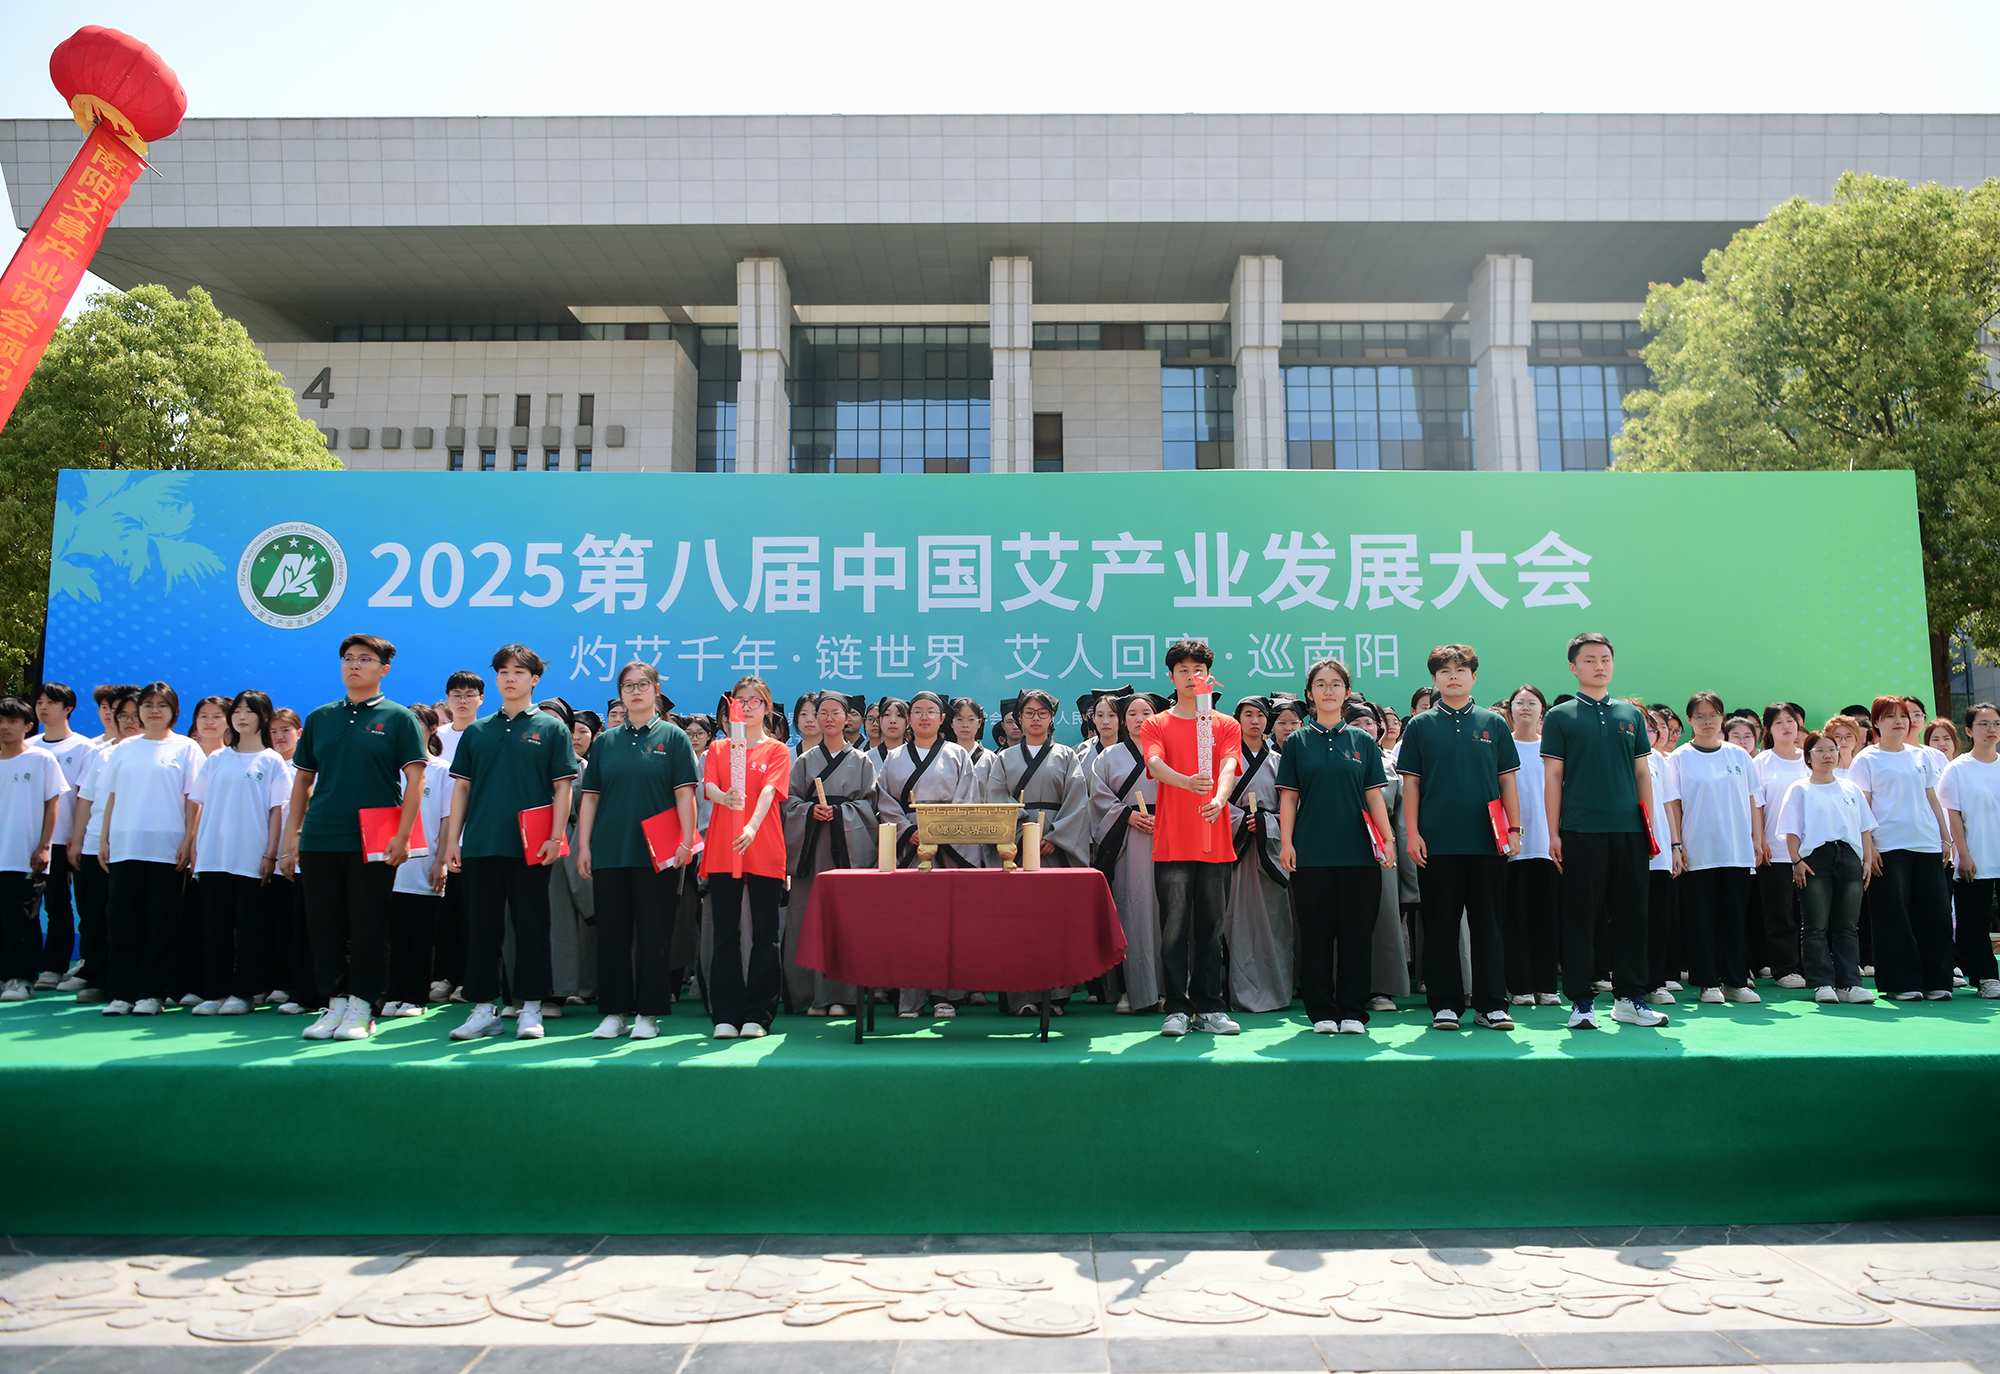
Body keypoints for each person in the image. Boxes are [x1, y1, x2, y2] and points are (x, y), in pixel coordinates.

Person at [281, 637, 427, 1043]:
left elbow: (416, 779)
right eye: (348, 658)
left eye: (365, 659)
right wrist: (293, 835)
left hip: (375, 837)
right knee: (324, 924)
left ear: (384, 669)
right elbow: (303, 780)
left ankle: (363, 1006)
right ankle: (334, 1003)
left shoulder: (398, 718)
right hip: (321, 834)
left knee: (368, 923)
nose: (354, 665)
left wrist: (403, 835)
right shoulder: (321, 717)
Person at [440, 645, 579, 1042]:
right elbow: (462, 788)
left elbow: (563, 787)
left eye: (518, 671)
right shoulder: (477, 731)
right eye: (503, 672)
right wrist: (453, 841)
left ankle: (531, 1007)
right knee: (482, 929)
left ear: (534, 679)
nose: (509, 678)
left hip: (531, 846)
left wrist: (555, 836)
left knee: (533, 926)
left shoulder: (551, 729)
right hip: (481, 843)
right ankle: (484, 1009)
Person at [1397, 645, 1521, 1031]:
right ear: (1434, 678)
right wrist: (1413, 834)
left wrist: (1514, 829)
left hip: (1488, 842)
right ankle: (1445, 1004)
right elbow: (1411, 784)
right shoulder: (1420, 726)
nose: (1453, 676)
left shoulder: (1493, 723)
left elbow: (1507, 781)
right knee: (1440, 927)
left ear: (1474, 676)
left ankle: (1491, 1005)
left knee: (1489, 927)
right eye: (1445, 671)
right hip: (1437, 843)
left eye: (1461, 669)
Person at [576, 661, 701, 1040]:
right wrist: (584, 846)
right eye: (628, 686)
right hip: (610, 851)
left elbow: (685, 794)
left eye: (642, 685)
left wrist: (686, 840)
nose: (635, 692)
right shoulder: (606, 742)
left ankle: (649, 1013)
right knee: (612, 935)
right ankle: (614, 1013)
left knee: (655, 934)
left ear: (656, 690)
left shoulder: (673, 737)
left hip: (659, 854)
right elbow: (590, 798)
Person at [1542, 633, 1659, 1030]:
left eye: (1605, 659)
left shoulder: (1631, 715)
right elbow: (1553, 776)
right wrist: (1554, 833)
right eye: (1589, 659)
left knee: (1632, 915)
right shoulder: (1560, 716)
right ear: (1573, 667)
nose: (1599, 666)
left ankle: (1630, 998)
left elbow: (1642, 773)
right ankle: (1580, 1001)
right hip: (1580, 829)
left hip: (1629, 830)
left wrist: (1649, 828)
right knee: (1581, 917)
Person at [1278, 657, 1396, 1034]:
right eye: (1321, 684)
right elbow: (1289, 798)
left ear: (1347, 692)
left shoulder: (1363, 742)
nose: (1328, 690)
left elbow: (1374, 796)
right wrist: (1286, 843)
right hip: (1311, 854)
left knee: (1356, 936)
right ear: (1310, 694)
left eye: (1335, 684)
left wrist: (1388, 840)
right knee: (1315, 937)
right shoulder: (1297, 743)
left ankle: (1352, 1012)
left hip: (1359, 854)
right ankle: (1322, 1012)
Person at [1141, 641, 1241, 1037]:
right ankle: (1177, 1008)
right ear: (1171, 676)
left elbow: (1229, 764)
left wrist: (1219, 797)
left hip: (1215, 841)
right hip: (1173, 842)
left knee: (1211, 929)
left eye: (1198, 669)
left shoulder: (1224, 723)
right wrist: (1186, 782)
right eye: (1182, 669)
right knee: (1174, 929)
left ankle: (1209, 1006)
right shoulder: (1157, 723)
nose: (1190, 676)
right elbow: (1154, 763)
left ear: (1208, 676)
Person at [95, 682, 203, 1017]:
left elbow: (194, 801)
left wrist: (189, 840)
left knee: (161, 922)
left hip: (166, 848)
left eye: (162, 705)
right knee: (122, 920)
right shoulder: (124, 748)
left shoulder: (187, 748)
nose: (154, 711)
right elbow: (112, 796)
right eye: (148, 705)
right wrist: (104, 838)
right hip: (125, 845)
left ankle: (152, 992)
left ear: (174, 711)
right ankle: (122, 992)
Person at [985, 687, 1091, 1015]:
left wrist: (1056, 838)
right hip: (1016, 847)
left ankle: (1055, 996)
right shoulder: (1004, 759)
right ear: (1018, 718)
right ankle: (1020, 998)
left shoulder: (1066, 755)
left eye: (1042, 713)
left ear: (1052, 718)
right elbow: (996, 798)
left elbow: (1078, 801)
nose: (1035, 719)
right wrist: (1023, 835)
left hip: (1055, 846)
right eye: (1029, 713)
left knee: (1055, 920)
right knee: (1017, 921)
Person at [877, 689, 982, 1018]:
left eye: (931, 711)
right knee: (910, 922)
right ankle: (909, 999)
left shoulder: (957, 754)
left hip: (949, 848)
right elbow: (884, 801)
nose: (924, 717)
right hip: (910, 846)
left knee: (947, 922)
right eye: (918, 711)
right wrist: (908, 831)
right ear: (910, 719)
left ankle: (944, 996)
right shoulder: (894, 757)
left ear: (942, 719)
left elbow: (967, 800)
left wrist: (940, 832)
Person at [185, 690, 286, 1016]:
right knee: (215, 926)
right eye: (238, 711)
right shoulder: (216, 758)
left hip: (250, 857)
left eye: (250, 711)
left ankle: (244, 993)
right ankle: (214, 991)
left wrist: (270, 854)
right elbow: (199, 805)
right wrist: (195, 846)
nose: (242, 717)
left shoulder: (271, 761)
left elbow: (276, 811)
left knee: (249, 927)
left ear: (263, 717)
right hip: (214, 855)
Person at [1848, 695, 1954, 1000]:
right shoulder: (1866, 759)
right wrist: (1870, 847)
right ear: (1876, 723)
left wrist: (1945, 837)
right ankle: (1901, 983)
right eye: (1891, 716)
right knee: (1894, 916)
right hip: (1888, 846)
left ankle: (1937, 981)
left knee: (1935, 914)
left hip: (1926, 844)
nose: (1899, 722)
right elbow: (1862, 806)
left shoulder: (1922, 756)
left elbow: (1932, 799)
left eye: (1904, 716)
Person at [779, 691, 877, 1017]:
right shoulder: (804, 761)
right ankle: (811, 995)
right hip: (811, 849)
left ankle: (842, 996)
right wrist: (810, 811)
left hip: (846, 851)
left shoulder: (862, 761)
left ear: (847, 718)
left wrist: (842, 813)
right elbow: (788, 803)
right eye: (823, 713)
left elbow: (870, 807)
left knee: (844, 920)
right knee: (807, 919)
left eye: (836, 712)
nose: (829, 718)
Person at [704, 675, 791, 1038]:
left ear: (767, 707)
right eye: (741, 700)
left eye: (756, 701)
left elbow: (771, 791)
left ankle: (758, 1014)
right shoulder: (719, 748)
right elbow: (709, 785)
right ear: (731, 707)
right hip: (723, 848)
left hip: (763, 846)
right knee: (725, 932)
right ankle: (725, 1013)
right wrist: (723, 797)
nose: (748, 707)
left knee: (765, 933)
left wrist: (753, 827)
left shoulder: (777, 750)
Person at [1669, 692, 1761, 1007]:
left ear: (1722, 718)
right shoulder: (1680, 758)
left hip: (1736, 850)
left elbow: (1753, 800)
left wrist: (1757, 839)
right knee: (1702, 920)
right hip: (1699, 850)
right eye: (1700, 716)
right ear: (1690, 721)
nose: (1707, 721)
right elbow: (1674, 805)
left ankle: (1736, 981)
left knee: (1735, 918)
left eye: (1713, 715)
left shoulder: (1739, 756)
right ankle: (1707, 982)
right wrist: (1677, 845)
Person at [1781, 726, 1879, 1003]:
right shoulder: (1800, 789)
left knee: (1848, 926)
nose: (1828, 755)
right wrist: (1796, 860)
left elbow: (1864, 828)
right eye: (1820, 750)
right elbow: (1791, 830)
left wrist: (1867, 859)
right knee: (1815, 925)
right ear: (1808, 757)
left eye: (1832, 749)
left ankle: (1849, 983)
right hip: (1814, 860)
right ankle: (1821, 982)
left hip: (1849, 858)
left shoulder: (1850, 788)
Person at [1093, 691, 1165, 1014]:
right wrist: (1127, 816)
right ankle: (1129, 990)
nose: (1139, 719)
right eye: (1132, 714)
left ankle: (1168, 988)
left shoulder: (1169, 752)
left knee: (1168, 912)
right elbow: (1096, 798)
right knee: (1130, 910)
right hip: (1126, 838)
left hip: (1166, 835)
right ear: (1124, 720)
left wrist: (1166, 817)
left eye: (1146, 712)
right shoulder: (1108, 757)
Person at [383, 703, 451, 1019]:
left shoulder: (441, 770)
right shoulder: (388, 766)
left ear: (433, 729)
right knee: (392, 934)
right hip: (388, 865)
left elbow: (447, 818)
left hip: (424, 865)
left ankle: (415, 996)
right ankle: (392, 992)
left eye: (417, 722)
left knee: (421, 934)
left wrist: (441, 861)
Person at [1225, 693, 1292, 1013]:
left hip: (1270, 852)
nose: (1255, 721)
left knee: (1275, 922)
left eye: (1261, 715)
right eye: (1248, 714)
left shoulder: (1279, 761)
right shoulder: (1226, 760)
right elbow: (1214, 801)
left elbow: (1292, 806)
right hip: (1235, 849)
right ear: (1237, 720)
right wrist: (1241, 821)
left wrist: (1267, 823)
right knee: (1235, 921)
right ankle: (1238, 991)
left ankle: (1276, 990)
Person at [1345, 701, 1413, 1013]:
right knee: (1344, 920)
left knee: (1384, 919)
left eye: (1369, 723)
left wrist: (1399, 856)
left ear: (1379, 727)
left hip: (1381, 848)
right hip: (1342, 847)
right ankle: (1344, 987)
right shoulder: (1336, 756)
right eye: (1356, 724)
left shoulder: (1391, 763)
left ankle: (1381, 988)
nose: (1364, 728)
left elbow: (1401, 817)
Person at [0, 698, 66, 1002]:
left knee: (21, 918)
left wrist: (44, 846)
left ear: (28, 726)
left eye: (12, 721)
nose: (4, 726)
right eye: (1, 720)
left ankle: (21, 979)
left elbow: (52, 803)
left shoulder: (41, 759)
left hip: (23, 855)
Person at [30, 683, 92, 993]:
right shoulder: (28, 746)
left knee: (64, 904)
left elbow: (85, 795)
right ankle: (29, 966)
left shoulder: (83, 747)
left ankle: (60, 966)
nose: (43, 707)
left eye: (51, 702)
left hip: (67, 839)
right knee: (30, 906)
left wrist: (78, 837)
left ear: (68, 708)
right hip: (31, 839)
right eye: (39, 702)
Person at [1504, 685, 1562, 1008]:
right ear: (1510, 710)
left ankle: (1546, 985)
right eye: (1519, 702)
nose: (1525, 707)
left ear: (1543, 711)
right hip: (1513, 848)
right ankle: (1520, 986)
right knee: (1515, 919)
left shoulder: (1551, 749)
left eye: (1532, 703)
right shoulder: (1503, 746)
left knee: (1547, 919)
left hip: (1547, 846)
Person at [1939, 701, 2000, 1000]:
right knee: (1975, 921)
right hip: (1976, 856)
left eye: (1996, 724)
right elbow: (1954, 816)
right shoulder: (1957, 769)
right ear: (1969, 731)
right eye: (1984, 724)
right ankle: (1986, 977)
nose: (1991, 730)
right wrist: (1962, 854)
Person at [1754, 703, 1809, 989]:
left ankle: (1811, 967)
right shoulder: (1761, 762)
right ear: (1768, 729)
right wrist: (1760, 840)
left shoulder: (1809, 759)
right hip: (1774, 850)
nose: (1786, 726)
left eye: (1791, 720)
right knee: (1780, 913)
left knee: (1810, 913)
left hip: (1810, 850)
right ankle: (1785, 969)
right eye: (1779, 722)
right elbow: (1756, 805)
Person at [1640, 706, 1683, 1003]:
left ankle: (1656, 982)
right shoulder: (1611, 756)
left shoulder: (1657, 759)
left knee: (1658, 919)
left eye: (1649, 728)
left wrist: (1675, 846)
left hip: (1659, 853)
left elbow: (1668, 806)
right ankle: (1629, 982)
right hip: (1627, 852)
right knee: (1630, 919)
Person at [437, 670, 485, 766]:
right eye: (457, 695)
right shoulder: (436, 736)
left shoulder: (488, 736)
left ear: (481, 699)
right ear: (448, 698)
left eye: (469, 695)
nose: (462, 701)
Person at [948, 697, 988, 766]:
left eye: (971, 719)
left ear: (979, 723)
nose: (965, 725)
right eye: (959, 719)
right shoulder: (943, 756)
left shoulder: (990, 758)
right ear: (951, 723)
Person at [791, 693, 822, 759]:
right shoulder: (788, 755)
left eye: (815, 714)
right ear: (796, 718)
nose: (809, 720)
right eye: (804, 714)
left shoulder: (834, 755)